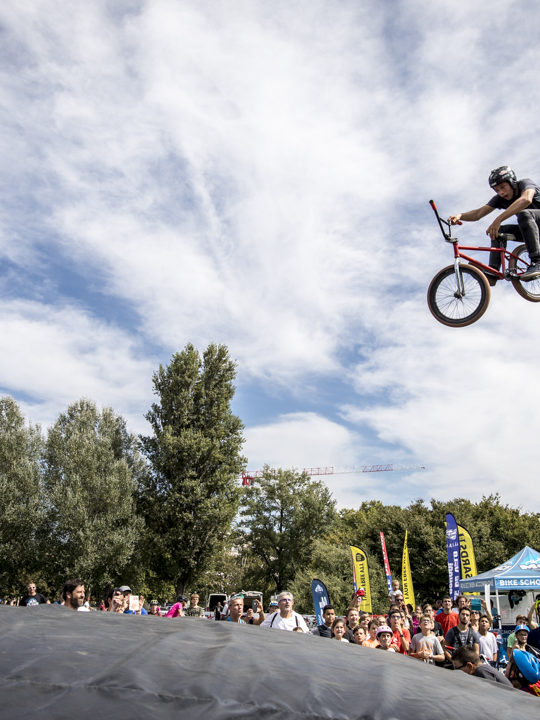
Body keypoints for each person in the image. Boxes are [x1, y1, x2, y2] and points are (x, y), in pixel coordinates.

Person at [449, 166, 540, 283]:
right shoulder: (500, 199)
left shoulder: (525, 184)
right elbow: (478, 213)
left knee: (524, 214)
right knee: (497, 232)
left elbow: (526, 199)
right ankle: (493, 272)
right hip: (533, 231)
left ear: (512, 182)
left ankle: (537, 262)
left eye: (503, 187)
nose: (501, 192)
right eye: (497, 190)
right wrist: (460, 215)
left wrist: (498, 219)